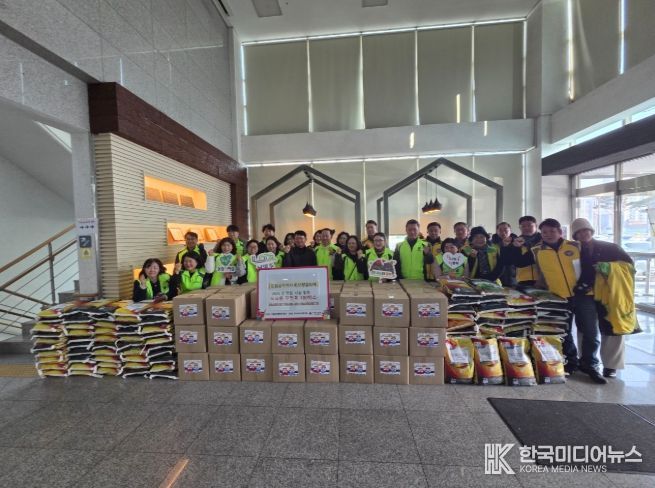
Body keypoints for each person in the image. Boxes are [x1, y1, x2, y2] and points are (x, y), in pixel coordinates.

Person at [505, 218, 601, 382]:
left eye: (552, 231)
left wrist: (585, 284)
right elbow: (519, 263)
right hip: (558, 297)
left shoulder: (575, 246)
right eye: (545, 232)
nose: (548, 234)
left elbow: (589, 266)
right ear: (541, 234)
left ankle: (590, 364)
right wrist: (513, 247)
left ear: (560, 232)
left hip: (583, 295)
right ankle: (571, 362)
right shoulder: (537, 250)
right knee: (563, 331)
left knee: (590, 331)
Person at [572, 217, 634, 379]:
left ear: (591, 231)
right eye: (579, 232)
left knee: (612, 328)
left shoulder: (610, 248)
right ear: (575, 235)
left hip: (609, 294)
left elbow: (629, 266)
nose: (583, 234)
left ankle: (611, 366)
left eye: (586, 230)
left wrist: (608, 268)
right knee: (586, 329)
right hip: (585, 295)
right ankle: (586, 360)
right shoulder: (573, 251)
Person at [491, 222, 517, 287]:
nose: (503, 232)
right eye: (500, 230)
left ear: (510, 231)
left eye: (505, 230)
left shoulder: (517, 243)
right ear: (497, 231)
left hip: (514, 278)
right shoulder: (491, 245)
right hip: (496, 278)